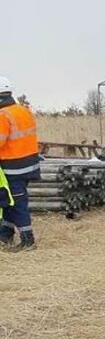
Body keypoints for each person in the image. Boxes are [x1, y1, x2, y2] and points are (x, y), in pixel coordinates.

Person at [0, 76, 40, 250]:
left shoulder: (2, 116)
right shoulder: (23, 110)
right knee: (8, 201)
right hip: (29, 164)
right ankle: (5, 235)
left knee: (16, 203)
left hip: (14, 167)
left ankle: (27, 240)